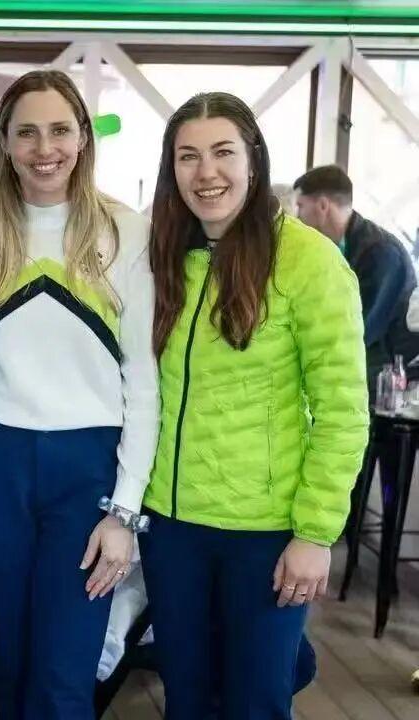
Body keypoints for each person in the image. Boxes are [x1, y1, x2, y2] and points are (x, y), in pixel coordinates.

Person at [144, 92, 368, 719]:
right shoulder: (164, 256)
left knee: (256, 704)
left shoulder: (309, 261)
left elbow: (343, 411)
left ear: (254, 160)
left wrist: (315, 534)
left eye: (223, 152)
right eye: (188, 156)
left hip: (265, 533)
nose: (206, 172)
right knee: (186, 700)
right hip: (173, 527)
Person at [0, 69, 159, 719]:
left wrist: (125, 512)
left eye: (61, 130)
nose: (46, 149)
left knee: (65, 674)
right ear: (5, 143)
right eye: (28, 133)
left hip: (88, 467)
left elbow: (144, 380)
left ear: (84, 137)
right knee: (10, 664)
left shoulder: (127, 234)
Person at [293, 165, 419, 385]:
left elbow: (358, 328)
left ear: (323, 206)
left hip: (383, 378)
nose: (297, 217)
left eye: (300, 206)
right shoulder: (337, 249)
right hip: (357, 370)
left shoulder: (381, 253)